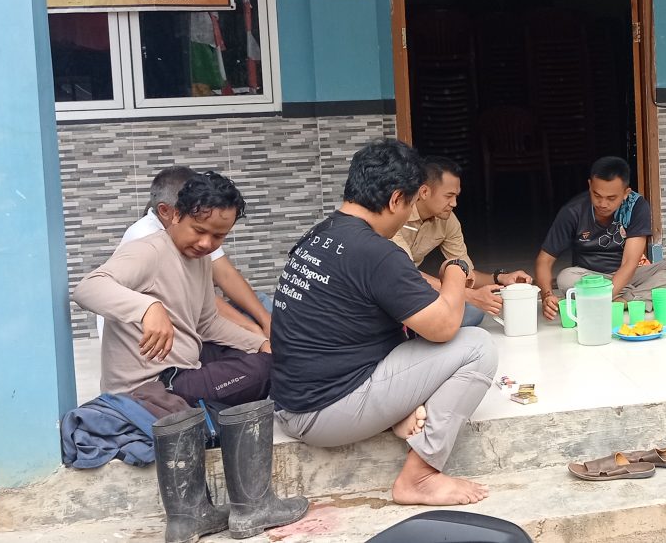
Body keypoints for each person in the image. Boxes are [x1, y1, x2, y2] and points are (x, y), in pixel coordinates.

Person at [270, 139, 496, 506]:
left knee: (408, 329)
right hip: (323, 411)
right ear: (396, 200)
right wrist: (455, 269)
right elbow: (443, 326)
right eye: (409, 204)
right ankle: (420, 476)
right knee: (477, 347)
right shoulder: (375, 252)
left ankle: (396, 415)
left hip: (292, 399)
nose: (407, 215)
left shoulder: (320, 234)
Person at [73, 171, 272, 404]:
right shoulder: (149, 251)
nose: (206, 243)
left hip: (183, 366)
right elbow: (87, 288)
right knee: (265, 369)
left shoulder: (200, 259)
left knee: (265, 355)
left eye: (218, 236)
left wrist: (259, 343)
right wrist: (148, 308)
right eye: (199, 231)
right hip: (151, 388)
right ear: (176, 215)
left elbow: (207, 323)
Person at [535, 156, 666, 320]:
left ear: (626, 193)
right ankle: (644, 295)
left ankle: (623, 299)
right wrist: (547, 295)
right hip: (593, 279)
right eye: (597, 195)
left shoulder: (636, 206)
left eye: (611, 198)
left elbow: (629, 263)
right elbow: (544, 260)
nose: (602, 204)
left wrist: (604, 296)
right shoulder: (573, 212)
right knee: (566, 278)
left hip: (632, 274)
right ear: (590, 185)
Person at [120, 166, 271, 337]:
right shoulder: (146, 238)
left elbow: (226, 275)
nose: (206, 243)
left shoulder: (199, 233)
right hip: (154, 335)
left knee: (262, 302)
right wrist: (253, 331)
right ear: (168, 211)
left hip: (193, 318)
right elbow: (200, 303)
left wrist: (266, 321)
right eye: (199, 229)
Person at [391, 156, 533, 328]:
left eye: (456, 196)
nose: (454, 203)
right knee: (464, 306)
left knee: (473, 312)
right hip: (389, 287)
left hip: (415, 289)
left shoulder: (448, 220)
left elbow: (466, 273)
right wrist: (467, 295)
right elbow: (404, 275)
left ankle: (416, 329)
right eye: (448, 196)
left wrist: (501, 278)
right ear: (424, 192)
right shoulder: (395, 214)